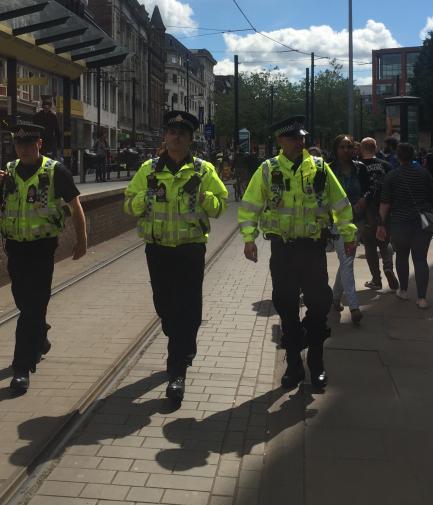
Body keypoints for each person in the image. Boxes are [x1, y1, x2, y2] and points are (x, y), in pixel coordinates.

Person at [238, 116, 356, 390]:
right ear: (280, 141)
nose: (299, 142)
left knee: (319, 304)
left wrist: (349, 234)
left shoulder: (319, 167)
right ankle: (294, 364)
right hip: (283, 249)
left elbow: (340, 203)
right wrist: (249, 238)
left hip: (313, 247)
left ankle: (316, 361)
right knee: (286, 306)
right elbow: (250, 205)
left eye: (301, 137)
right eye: (293, 138)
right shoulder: (268, 170)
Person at [124, 110, 228, 404]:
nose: (177, 137)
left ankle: (177, 371)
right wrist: (144, 198)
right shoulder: (148, 170)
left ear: (190, 139)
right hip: (157, 248)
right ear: (165, 136)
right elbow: (129, 206)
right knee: (165, 306)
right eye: (172, 132)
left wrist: (206, 198)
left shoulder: (203, 171)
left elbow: (221, 206)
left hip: (190, 248)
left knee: (187, 307)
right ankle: (182, 339)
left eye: (182, 133)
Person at [0, 121, 87, 395]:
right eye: (20, 144)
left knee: (32, 307)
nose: (25, 149)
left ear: (39, 144)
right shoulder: (7, 172)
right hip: (15, 247)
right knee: (24, 302)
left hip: (42, 248)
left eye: (30, 144)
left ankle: (22, 367)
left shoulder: (55, 171)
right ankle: (39, 337)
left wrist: (82, 240)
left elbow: (75, 206)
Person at [377, 142, 433, 309]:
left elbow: (385, 203)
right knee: (420, 259)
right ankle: (422, 298)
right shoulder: (424, 174)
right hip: (422, 223)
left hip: (399, 223)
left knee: (402, 256)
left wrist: (381, 224)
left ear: (398, 156)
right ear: (413, 155)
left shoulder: (392, 176)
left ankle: (403, 290)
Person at [328, 134, 371, 326]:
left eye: (349, 146)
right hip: (337, 223)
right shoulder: (328, 169)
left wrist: (364, 199)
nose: (346, 150)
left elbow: (370, 188)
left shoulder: (360, 168)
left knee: (346, 261)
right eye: (342, 147)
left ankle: (335, 298)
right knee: (347, 261)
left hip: (356, 221)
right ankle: (354, 306)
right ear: (336, 149)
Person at [358, 137, 398, 291]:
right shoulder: (386, 166)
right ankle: (388, 266)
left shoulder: (358, 167)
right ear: (375, 148)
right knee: (385, 241)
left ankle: (376, 279)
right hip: (385, 209)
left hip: (366, 211)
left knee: (370, 246)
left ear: (361, 149)